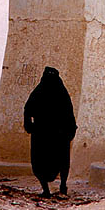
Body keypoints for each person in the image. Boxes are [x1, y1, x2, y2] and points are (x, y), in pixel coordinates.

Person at [23, 66, 77, 197]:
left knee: (41, 162)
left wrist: (30, 126)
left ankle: (49, 189)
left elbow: (28, 110)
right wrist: (70, 131)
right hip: (56, 134)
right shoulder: (62, 93)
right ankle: (60, 187)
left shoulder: (39, 92)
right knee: (59, 161)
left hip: (44, 134)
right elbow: (70, 114)